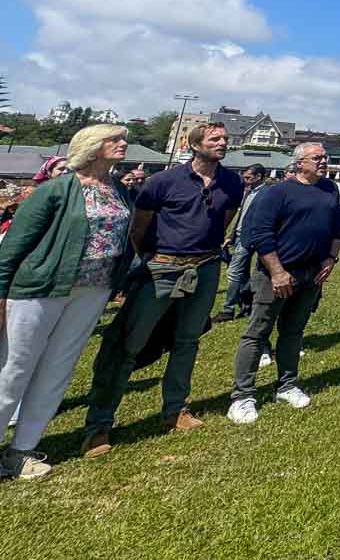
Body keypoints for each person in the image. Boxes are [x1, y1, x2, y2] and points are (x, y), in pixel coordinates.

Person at [82, 121, 244, 458]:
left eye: (225, 139)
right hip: (162, 267)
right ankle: (99, 425)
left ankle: (175, 411)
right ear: (193, 144)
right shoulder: (162, 182)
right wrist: (157, 258)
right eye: (215, 138)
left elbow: (223, 220)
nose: (222, 143)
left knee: (187, 341)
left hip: (205, 267)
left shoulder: (231, 182)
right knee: (129, 343)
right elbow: (139, 229)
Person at [0, 125, 134, 480]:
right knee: (14, 366)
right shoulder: (57, 189)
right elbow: (14, 247)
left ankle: (21, 450)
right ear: (91, 147)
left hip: (93, 292)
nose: (123, 144)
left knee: (58, 368)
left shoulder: (119, 190)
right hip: (40, 289)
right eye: (114, 139)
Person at [225, 143, 340, 423]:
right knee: (258, 332)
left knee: (293, 331)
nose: (323, 161)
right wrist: (277, 272)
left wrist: (330, 258)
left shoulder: (329, 189)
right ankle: (242, 396)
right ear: (299, 163)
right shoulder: (277, 192)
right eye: (317, 158)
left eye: (324, 157)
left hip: (311, 273)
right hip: (275, 274)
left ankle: (287, 385)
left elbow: (337, 226)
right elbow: (260, 234)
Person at [213, 164, 268, 323]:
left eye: (249, 177)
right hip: (238, 236)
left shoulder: (266, 193)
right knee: (242, 274)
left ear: (259, 177)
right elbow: (241, 216)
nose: (245, 180)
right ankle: (246, 304)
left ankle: (228, 309)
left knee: (233, 272)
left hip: (249, 238)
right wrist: (231, 235)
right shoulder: (248, 192)